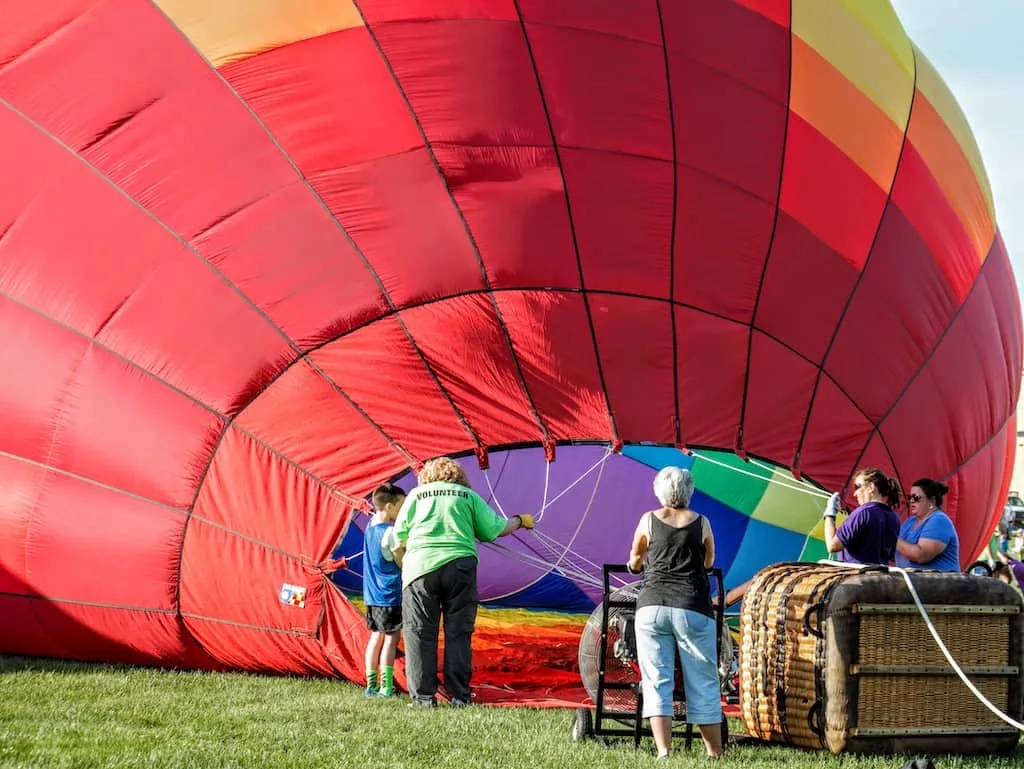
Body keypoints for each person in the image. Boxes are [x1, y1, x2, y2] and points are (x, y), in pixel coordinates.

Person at [390, 457, 534, 707]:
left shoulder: (416, 495)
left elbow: (397, 537)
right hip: (460, 567)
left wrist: (406, 566)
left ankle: (424, 697)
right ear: (458, 476)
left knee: (419, 633)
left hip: (420, 569)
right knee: (459, 633)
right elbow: (496, 529)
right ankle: (459, 695)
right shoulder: (467, 495)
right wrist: (520, 520)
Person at [627, 466, 725, 760]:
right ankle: (714, 753)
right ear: (689, 491)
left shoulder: (647, 520)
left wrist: (639, 563)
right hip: (692, 607)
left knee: (657, 680)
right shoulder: (702, 523)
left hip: (652, 607)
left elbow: (634, 560)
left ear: (660, 491)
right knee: (704, 680)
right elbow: (709, 563)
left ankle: (663, 752)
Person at [362, 483, 406, 697]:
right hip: (389, 594)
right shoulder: (390, 532)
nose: (403, 510)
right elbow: (400, 562)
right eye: (401, 505)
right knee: (391, 639)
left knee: (375, 638)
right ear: (389, 506)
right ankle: (386, 687)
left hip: (371, 594)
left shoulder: (370, 527)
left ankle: (370, 685)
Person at [822, 467, 901, 565]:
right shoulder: (894, 517)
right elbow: (892, 555)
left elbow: (832, 546)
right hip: (880, 576)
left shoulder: (863, 512)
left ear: (871, 487)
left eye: (857, 487)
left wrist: (830, 515)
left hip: (854, 576)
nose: (855, 494)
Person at [895, 478, 960, 571]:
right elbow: (899, 551)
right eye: (910, 497)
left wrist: (892, 538)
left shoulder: (939, 520)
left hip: (940, 584)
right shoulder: (910, 522)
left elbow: (922, 556)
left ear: (932, 500)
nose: (912, 501)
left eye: (916, 497)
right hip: (914, 582)